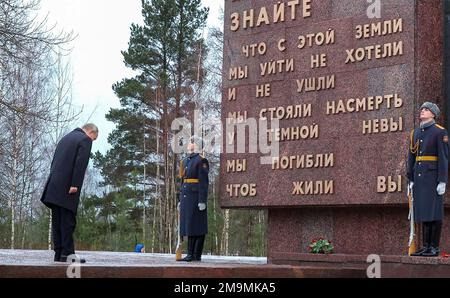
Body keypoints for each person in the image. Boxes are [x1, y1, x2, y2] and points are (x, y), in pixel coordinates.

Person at [41, 124, 98, 263]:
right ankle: (68, 254)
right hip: (68, 187)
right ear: (90, 132)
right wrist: (75, 184)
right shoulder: (84, 139)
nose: (92, 141)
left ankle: (59, 253)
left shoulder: (65, 138)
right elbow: (80, 164)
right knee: (68, 221)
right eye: (94, 138)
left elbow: (55, 162)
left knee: (58, 221)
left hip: (54, 185)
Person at [407, 102, 448, 257]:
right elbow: (411, 157)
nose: (422, 111)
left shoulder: (439, 132)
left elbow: (443, 157)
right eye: (422, 109)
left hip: (433, 177)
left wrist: (442, 180)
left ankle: (434, 247)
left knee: (434, 212)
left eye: (426, 109)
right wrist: (410, 178)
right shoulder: (415, 133)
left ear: (433, 114)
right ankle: (425, 246)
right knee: (424, 211)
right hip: (419, 177)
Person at [177, 136, 209, 262]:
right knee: (189, 226)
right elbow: (182, 181)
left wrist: (202, 200)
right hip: (186, 197)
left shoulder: (201, 160)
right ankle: (191, 254)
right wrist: (180, 199)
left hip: (196, 197)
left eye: (192, 142)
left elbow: (204, 183)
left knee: (197, 226)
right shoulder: (185, 161)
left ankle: (195, 255)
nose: (189, 144)